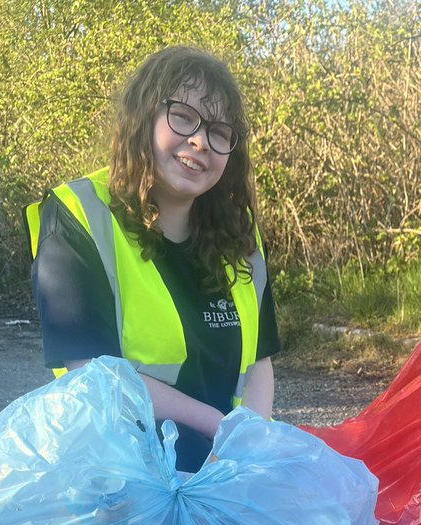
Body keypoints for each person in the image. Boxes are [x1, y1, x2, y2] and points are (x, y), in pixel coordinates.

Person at [25, 46, 280, 472]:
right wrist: (218, 427)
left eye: (220, 131)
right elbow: (90, 372)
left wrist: (247, 446)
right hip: (121, 484)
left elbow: (260, 362)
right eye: (183, 116)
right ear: (143, 116)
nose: (200, 141)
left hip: (225, 476)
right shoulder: (79, 214)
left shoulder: (242, 233)